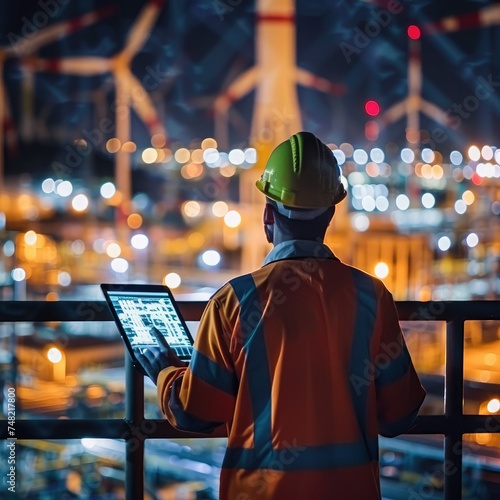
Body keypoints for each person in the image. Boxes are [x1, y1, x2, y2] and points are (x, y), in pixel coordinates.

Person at [135, 131, 426, 500]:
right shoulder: (372, 297)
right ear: (331, 213)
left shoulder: (234, 301)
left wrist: (164, 370)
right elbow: (400, 414)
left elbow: (195, 412)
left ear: (267, 214)